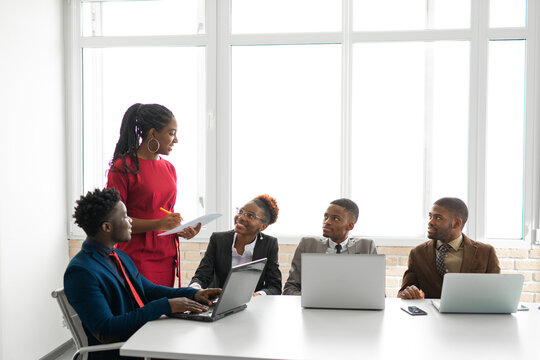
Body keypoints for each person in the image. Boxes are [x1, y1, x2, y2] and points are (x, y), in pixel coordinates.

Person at [64, 188, 220, 360]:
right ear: (107, 227)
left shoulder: (118, 256)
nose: (130, 221)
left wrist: (194, 294)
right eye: (124, 217)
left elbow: (148, 290)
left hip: (141, 340)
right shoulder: (81, 272)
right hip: (123, 352)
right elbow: (106, 330)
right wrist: (165, 306)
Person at [107, 103, 200, 287]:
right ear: (152, 133)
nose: (176, 140)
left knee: (164, 312)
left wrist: (180, 229)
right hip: (136, 257)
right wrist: (159, 224)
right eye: (171, 133)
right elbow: (115, 222)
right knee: (142, 312)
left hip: (166, 255)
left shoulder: (169, 168)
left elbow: (165, 213)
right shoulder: (122, 168)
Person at [398, 197, 501, 299]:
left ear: (456, 223)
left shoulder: (486, 252)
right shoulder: (417, 253)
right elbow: (403, 293)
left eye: (438, 218)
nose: (430, 222)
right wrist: (409, 293)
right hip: (431, 315)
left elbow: (497, 293)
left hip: (471, 314)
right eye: (430, 217)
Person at [189, 195, 282, 296]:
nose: (241, 217)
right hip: (218, 302)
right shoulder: (218, 239)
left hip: (253, 303)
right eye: (241, 212)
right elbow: (201, 276)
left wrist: (258, 295)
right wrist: (194, 290)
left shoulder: (269, 244)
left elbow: (274, 286)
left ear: (262, 226)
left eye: (250, 215)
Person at [283, 198, 377, 295]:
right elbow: (290, 288)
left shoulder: (367, 246)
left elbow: (377, 292)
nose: (327, 222)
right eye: (326, 217)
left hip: (352, 307)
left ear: (350, 226)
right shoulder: (307, 245)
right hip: (315, 307)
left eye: (335, 218)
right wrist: (310, 299)